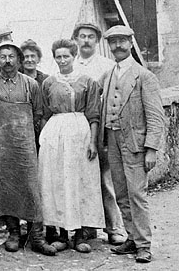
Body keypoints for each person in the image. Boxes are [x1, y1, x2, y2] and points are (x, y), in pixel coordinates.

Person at [0, 40, 55, 256]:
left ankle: (36, 237)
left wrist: (26, 137)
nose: (7, 61)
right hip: (1, 146)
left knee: (31, 188)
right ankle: (14, 233)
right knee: (5, 189)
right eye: (2, 57)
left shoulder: (31, 85)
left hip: (25, 146)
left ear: (19, 60)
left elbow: (39, 114)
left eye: (11, 57)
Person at [100, 25, 165, 264]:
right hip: (112, 140)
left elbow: (156, 116)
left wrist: (152, 148)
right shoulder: (108, 76)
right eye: (113, 41)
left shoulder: (145, 76)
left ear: (130, 43)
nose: (117, 46)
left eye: (122, 41)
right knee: (121, 193)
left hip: (136, 143)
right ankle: (131, 237)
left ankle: (144, 245)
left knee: (137, 194)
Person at [39, 39, 105, 253]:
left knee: (79, 182)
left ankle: (79, 236)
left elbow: (94, 115)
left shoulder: (88, 81)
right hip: (55, 133)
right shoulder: (48, 83)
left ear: (74, 56)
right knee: (55, 182)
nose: (62, 60)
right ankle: (59, 234)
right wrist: (43, 139)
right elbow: (44, 114)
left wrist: (93, 142)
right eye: (58, 56)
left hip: (79, 131)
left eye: (66, 56)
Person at [72, 22, 127, 246]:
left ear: (97, 41)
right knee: (81, 179)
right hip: (76, 129)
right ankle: (86, 228)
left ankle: (114, 227)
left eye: (91, 37)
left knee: (106, 179)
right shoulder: (69, 65)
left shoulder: (107, 66)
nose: (86, 40)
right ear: (75, 39)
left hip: (101, 128)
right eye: (82, 36)